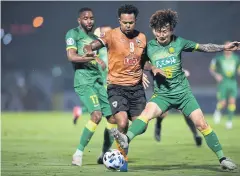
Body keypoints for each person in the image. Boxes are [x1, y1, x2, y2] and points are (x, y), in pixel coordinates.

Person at [111, 9, 239, 171]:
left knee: (202, 124)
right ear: (153, 31)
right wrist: (147, 70)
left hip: (183, 95)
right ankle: (126, 139)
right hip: (162, 95)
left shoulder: (180, 42)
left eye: (165, 31)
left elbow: (204, 47)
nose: (161, 35)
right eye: (158, 31)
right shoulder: (149, 47)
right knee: (146, 115)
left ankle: (222, 158)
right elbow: (141, 63)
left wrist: (224, 47)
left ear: (171, 30)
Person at [83, 4, 160, 171]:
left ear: (135, 21)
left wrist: (151, 68)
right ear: (119, 21)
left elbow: (145, 61)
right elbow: (94, 44)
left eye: (131, 22)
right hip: (116, 87)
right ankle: (121, 159)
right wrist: (89, 49)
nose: (128, 25)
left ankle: (116, 149)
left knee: (143, 124)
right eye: (125, 22)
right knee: (122, 122)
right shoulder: (111, 35)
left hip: (137, 89)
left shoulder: (142, 38)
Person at [65, 7, 116, 167]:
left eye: (91, 18)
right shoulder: (73, 34)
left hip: (99, 82)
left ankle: (104, 153)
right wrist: (90, 57)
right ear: (79, 20)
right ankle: (78, 154)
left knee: (113, 118)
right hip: (84, 81)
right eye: (85, 18)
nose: (89, 21)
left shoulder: (95, 39)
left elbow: (102, 62)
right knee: (96, 115)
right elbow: (71, 56)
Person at [153, 69, 202, 145]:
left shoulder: (174, 64)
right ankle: (158, 126)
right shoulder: (158, 65)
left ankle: (196, 135)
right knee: (162, 114)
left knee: (186, 113)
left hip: (177, 92)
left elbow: (185, 72)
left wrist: (183, 73)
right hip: (164, 93)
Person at [210, 44, 240, 129]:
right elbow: (211, 69)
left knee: (232, 102)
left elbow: (238, 70)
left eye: (230, 47)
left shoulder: (236, 59)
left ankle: (229, 121)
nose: (228, 49)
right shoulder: (218, 58)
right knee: (222, 103)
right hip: (223, 83)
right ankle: (218, 111)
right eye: (227, 47)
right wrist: (216, 75)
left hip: (232, 82)